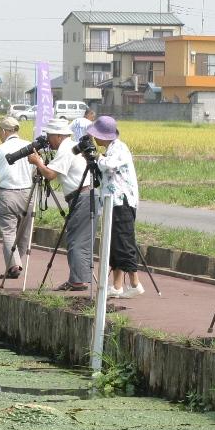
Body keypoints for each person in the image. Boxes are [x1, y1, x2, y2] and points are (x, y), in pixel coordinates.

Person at [28, 118, 92, 291]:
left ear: (58, 136)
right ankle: (79, 278)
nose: (48, 140)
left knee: (76, 240)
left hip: (82, 197)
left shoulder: (66, 150)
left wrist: (38, 162)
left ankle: (77, 282)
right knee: (80, 238)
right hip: (83, 196)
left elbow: (50, 174)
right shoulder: (71, 146)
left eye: (49, 136)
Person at [88, 115, 144, 298]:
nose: (93, 139)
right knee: (115, 244)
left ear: (103, 135)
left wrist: (96, 158)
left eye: (95, 135)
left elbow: (109, 165)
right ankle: (118, 286)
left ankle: (135, 284)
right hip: (114, 202)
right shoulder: (110, 149)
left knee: (124, 243)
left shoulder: (119, 148)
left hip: (122, 202)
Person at [0, 117, 34, 278]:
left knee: (8, 232)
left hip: (7, 194)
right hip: (28, 194)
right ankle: (16, 263)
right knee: (24, 233)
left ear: (5, 132)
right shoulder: (30, 146)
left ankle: (14, 265)